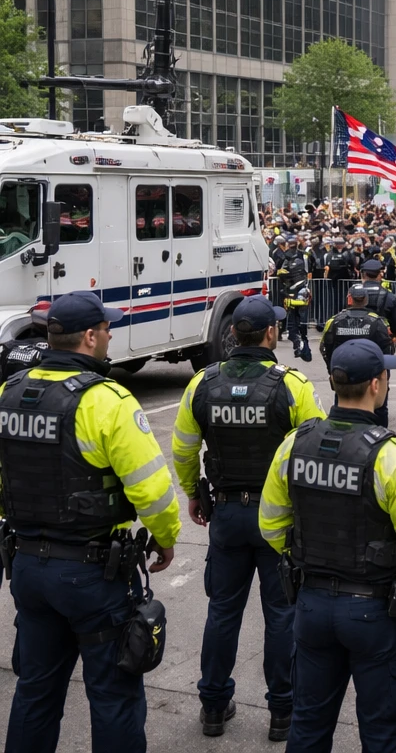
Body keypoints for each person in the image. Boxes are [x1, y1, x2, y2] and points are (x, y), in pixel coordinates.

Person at [0, 291, 180, 753]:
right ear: (88, 337)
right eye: (105, 329)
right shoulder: (106, 400)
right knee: (114, 697)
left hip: (28, 568)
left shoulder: (9, 392)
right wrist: (166, 538)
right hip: (92, 574)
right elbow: (152, 490)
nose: (109, 336)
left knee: (35, 692)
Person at [258, 339, 396, 753]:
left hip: (311, 604)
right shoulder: (393, 456)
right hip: (375, 611)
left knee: (308, 725)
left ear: (333, 382)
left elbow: (270, 525)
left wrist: (309, 551)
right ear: (377, 385)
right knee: (382, 733)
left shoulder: (295, 444)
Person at [172, 295, 325, 740]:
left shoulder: (202, 384)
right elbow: (314, 451)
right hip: (278, 519)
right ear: (271, 333)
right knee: (281, 614)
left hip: (226, 512)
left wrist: (193, 492)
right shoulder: (292, 385)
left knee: (222, 611)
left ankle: (213, 705)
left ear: (234, 334)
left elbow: (183, 449)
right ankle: (282, 711)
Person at [320, 283, 396, 426]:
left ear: (349, 299)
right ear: (366, 300)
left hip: (342, 375)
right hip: (371, 377)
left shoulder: (334, 321)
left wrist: (333, 370)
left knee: (342, 410)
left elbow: (325, 348)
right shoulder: (377, 322)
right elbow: (388, 351)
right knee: (379, 411)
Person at [277, 235, 313, 361]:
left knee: (300, 324)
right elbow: (280, 271)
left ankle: (303, 348)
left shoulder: (303, 256)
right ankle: (298, 347)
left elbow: (311, 267)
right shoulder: (286, 258)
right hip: (291, 292)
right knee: (293, 325)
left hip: (299, 292)